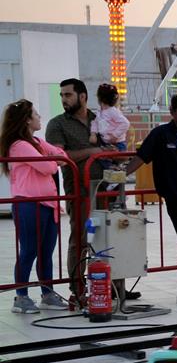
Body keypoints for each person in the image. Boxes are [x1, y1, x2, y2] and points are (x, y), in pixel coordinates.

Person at [125, 94, 177, 304]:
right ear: (171, 112)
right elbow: (141, 157)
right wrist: (121, 174)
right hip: (176, 197)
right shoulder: (161, 134)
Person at [45, 78, 109, 305]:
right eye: (62, 95)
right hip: (79, 192)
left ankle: (109, 285)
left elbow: (112, 143)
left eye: (68, 95)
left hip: (106, 189)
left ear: (83, 96)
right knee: (81, 239)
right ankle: (78, 287)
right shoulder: (57, 124)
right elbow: (59, 157)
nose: (64, 99)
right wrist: (93, 151)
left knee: (107, 238)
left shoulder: (100, 119)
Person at [3, 100, 67, 313]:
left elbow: (61, 156)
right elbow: (49, 166)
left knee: (46, 251)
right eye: (36, 114)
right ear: (27, 120)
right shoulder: (19, 145)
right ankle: (21, 297)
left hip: (48, 203)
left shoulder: (37, 141)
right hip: (28, 204)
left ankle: (47, 293)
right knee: (29, 250)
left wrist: (53, 158)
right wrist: (52, 160)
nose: (40, 117)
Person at [89, 83, 131, 151]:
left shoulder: (113, 111)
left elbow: (125, 123)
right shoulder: (100, 111)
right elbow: (95, 123)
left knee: (105, 158)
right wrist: (93, 133)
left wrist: (114, 135)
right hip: (105, 142)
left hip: (118, 143)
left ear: (99, 99)